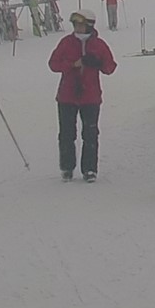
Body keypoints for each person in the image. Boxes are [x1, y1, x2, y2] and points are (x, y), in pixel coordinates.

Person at [48, 12, 116, 182]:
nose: (77, 28)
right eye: (75, 24)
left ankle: (90, 169)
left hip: (90, 97)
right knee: (66, 133)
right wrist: (72, 65)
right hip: (67, 96)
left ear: (89, 26)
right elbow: (53, 64)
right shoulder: (66, 42)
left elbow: (110, 67)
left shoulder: (99, 45)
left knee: (90, 134)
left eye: (81, 25)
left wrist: (98, 63)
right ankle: (67, 167)